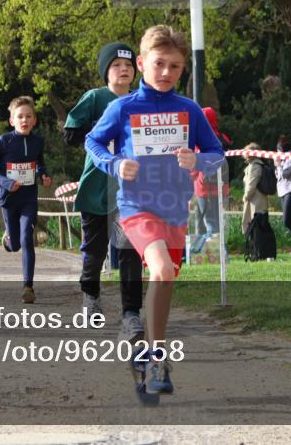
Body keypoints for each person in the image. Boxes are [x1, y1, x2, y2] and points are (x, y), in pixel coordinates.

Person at [85, 25, 224, 396]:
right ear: (143, 63)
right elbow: (93, 142)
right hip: (136, 206)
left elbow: (216, 155)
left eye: (175, 67)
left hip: (174, 209)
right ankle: (159, 357)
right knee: (161, 270)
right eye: (159, 64)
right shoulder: (123, 107)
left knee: (165, 280)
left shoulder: (189, 110)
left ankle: (148, 350)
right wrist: (115, 164)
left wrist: (198, 159)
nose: (166, 73)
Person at [64, 41, 146, 337]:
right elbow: (70, 135)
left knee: (130, 251)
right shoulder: (95, 98)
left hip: (132, 188)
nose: (123, 70)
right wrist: (101, 131)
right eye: (116, 66)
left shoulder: (140, 100)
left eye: (127, 66)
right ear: (105, 71)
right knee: (96, 251)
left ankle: (131, 313)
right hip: (97, 185)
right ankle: (91, 296)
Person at [0, 96, 52, 304]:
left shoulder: (37, 141)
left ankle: (28, 287)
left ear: (34, 120)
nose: (24, 120)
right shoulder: (3, 141)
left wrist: (44, 175)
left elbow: (39, 162)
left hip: (28, 198)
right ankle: (8, 240)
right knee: (15, 245)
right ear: (12, 120)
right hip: (9, 198)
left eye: (28, 116)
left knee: (26, 239)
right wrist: (5, 182)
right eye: (20, 116)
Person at [189, 106, 231, 260]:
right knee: (215, 223)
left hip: (204, 188)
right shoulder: (221, 137)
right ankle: (209, 253)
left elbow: (195, 166)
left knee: (207, 224)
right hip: (221, 188)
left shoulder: (202, 138)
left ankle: (215, 256)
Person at [240, 143, 269, 244]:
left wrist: (245, 196)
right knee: (255, 226)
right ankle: (255, 248)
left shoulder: (254, 166)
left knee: (254, 225)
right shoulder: (254, 165)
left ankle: (257, 249)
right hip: (255, 199)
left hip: (255, 200)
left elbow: (251, 184)